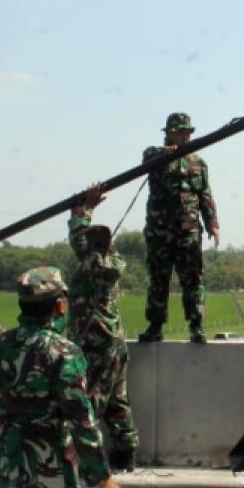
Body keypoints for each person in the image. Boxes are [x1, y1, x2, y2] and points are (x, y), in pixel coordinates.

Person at [0, 266, 124, 488]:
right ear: (60, 306)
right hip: (51, 472)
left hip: (12, 469)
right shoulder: (63, 352)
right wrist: (103, 478)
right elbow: (81, 422)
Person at [67, 184, 139, 472]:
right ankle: (126, 452)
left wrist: (81, 212)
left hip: (96, 343)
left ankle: (89, 459)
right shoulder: (113, 261)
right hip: (114, 341)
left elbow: (77, 241)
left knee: (91, 401)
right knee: (117, 400)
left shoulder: (93, 264)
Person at [139, 112, 220, 344]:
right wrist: (165, 155)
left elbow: (205, 195)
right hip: (160, 231)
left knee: (192, 279)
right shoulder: (154, 155)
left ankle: (196, 325)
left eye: (188, 132)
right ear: (170, 132)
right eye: (182, 131)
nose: (186, 136)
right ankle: (155, 326)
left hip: (189, 230)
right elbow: (147, 159)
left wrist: (212, 223)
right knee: (158, 278)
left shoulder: (198, 162)